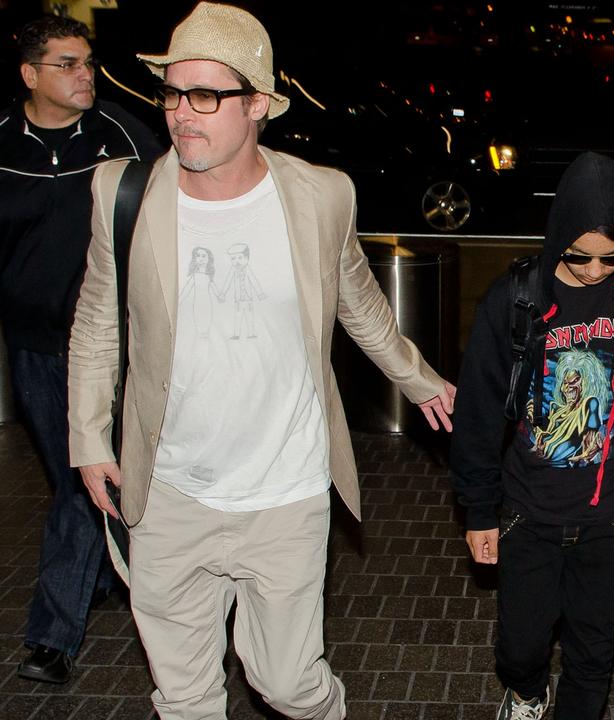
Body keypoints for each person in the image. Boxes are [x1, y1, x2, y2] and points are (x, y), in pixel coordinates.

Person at [65, 4, 455, 717]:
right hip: (169, 494)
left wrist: (418, 377)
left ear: (257, 105)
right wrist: (89, 439)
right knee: (184, 698)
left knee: (288, 684)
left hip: (285, 492)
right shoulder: (120, 195)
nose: (183, 114)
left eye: (206, 95)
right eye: (172, 93)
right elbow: (97, 323)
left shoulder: (320, 195)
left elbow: (359, 302)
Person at [448, 151, 614, 720]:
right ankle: (528, 692)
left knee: (593, 651)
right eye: (578, 255)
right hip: (528, 512)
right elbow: (481, 413)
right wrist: (478, 510)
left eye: (611, 257)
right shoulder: (519, 299)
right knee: (520, 647)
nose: (592, 270)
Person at [0, 14, 162, 684]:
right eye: (66, 63)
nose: (84, 74)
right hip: (35, 347)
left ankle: (52, 636)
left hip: (114, 347)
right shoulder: (5, 144)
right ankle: (99, 570)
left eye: (88, 61)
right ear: (30, 75)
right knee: (81, 479)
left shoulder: (122, 135)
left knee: (83, 477)